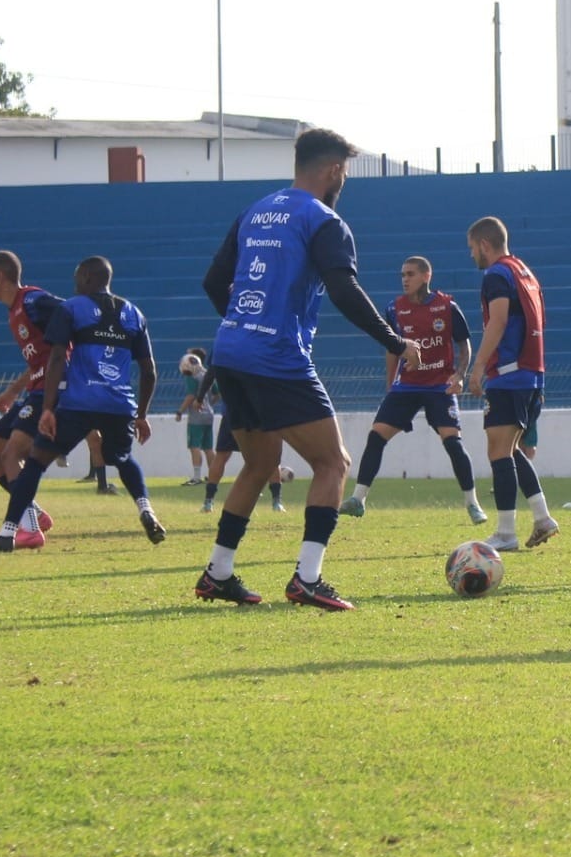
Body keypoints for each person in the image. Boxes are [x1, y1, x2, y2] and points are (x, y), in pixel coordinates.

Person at [195, 127, 422, 610]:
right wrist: (397, 342)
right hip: (276, 356)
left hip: (231, 350)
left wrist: (244, 322)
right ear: (335, 169)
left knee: (258, 464)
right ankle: (308, 578)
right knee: (333, 463)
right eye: (346, 172)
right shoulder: (324, 220)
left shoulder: (255, 211)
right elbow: (343, 291)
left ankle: (217, 572)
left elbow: (215, 281)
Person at [0, 256, 165, 552]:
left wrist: (49, 407)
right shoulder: (134, 313)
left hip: (67, 395)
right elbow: (149, 370)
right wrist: (142, 414)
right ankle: (144, 510)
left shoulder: (48, 304)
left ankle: (20, 529)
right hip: (116, 402)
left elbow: (59, 353)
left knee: (22, 458)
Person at [341, 256, 487, 525]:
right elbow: (392, 348)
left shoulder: (447, 306)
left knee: (453, 442)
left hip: (439, 385)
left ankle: (472, 503)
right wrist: (389, 384)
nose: (405, 279)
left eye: (410, 274)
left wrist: (459, 375)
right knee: (376, 436)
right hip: (406, 385)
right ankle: (358, 499)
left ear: (426, 276)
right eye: (402, 275)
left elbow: (463, 343)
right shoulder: (395, 309)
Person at [469, 216, 559, 554]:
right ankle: (542, 517)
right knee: (511, 450)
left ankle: (505, 532)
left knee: (497, 450)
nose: (472, 256)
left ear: (484, 245)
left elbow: (499, 320)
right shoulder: (524, 271)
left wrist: (478, 367)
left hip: (508, 373)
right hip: (532, 373)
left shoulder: (496, 274)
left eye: (472, 249)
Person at [0, 250, 63, 547]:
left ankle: (29, 530)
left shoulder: (32, 301)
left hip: (50, 392)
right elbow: (40, 359)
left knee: (11, 455)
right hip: (34, 390)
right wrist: (13, 391)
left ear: (0, 277)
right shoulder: (14, 311)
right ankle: (33, 512)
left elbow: (68, 313)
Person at [187, 349, 286, 514]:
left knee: (223, 456)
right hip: (258, 410)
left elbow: (212, 372)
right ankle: (276, 503)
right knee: (270, 457)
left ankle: (208, 502)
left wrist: (200, 397)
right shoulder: (260, 338)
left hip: (237, 410)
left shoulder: (224, 341)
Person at [177, 347, 215, 484]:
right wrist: (209, 404)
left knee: (195, 446)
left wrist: (180, 411)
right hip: (209, 414)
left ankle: (197, 477)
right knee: (208, 447)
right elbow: (217, 394)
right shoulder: (207, 373)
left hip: (196, 417)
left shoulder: (192, 375)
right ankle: (213, 476)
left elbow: (191, 396)